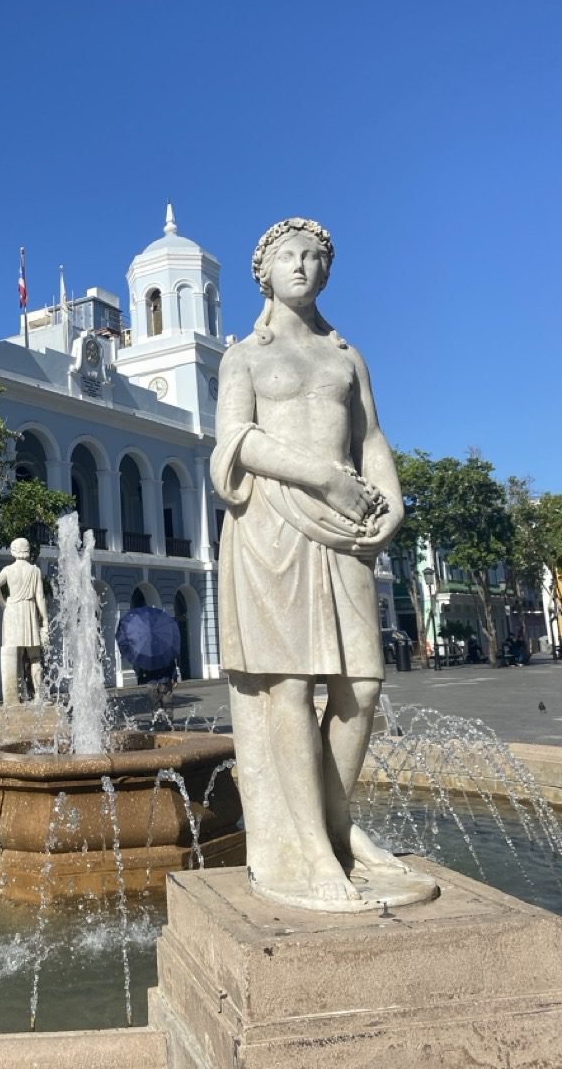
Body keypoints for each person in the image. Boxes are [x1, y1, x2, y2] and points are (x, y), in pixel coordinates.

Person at [211, 217, 429, 912]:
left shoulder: (346, 356)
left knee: (361, 686)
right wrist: (321, 476)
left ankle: (336, 825)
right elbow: (235, 442)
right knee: (290, 684)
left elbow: (371, 437)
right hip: (274, 523)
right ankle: (308, 848)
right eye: (288, 257)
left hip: (348, 527)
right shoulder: (242, 356)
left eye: (313, 257)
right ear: (265, 272)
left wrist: (391, 499)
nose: (302, 266)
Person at [0, 538, 49, 705]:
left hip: (13, 612)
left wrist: (4, 605)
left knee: (15, 656)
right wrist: (45, 620)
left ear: (13, 551)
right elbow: (40, 597)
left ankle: (17, 696)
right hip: (29, 611)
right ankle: (38, 696)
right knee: (35, 657)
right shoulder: (35, 571)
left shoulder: (8, 570)